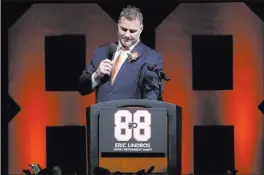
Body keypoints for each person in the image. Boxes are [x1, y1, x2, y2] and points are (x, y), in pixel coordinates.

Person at [78, 5, 164, 103]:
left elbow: (152, 97)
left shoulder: (151, 57)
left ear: (141, 29)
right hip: (101, 116)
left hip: (130, 116)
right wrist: (96, 75)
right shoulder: (101, 52)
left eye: (132, 31)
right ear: (118, 25)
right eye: (123, 29)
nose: (127, 35)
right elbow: (82, 88)